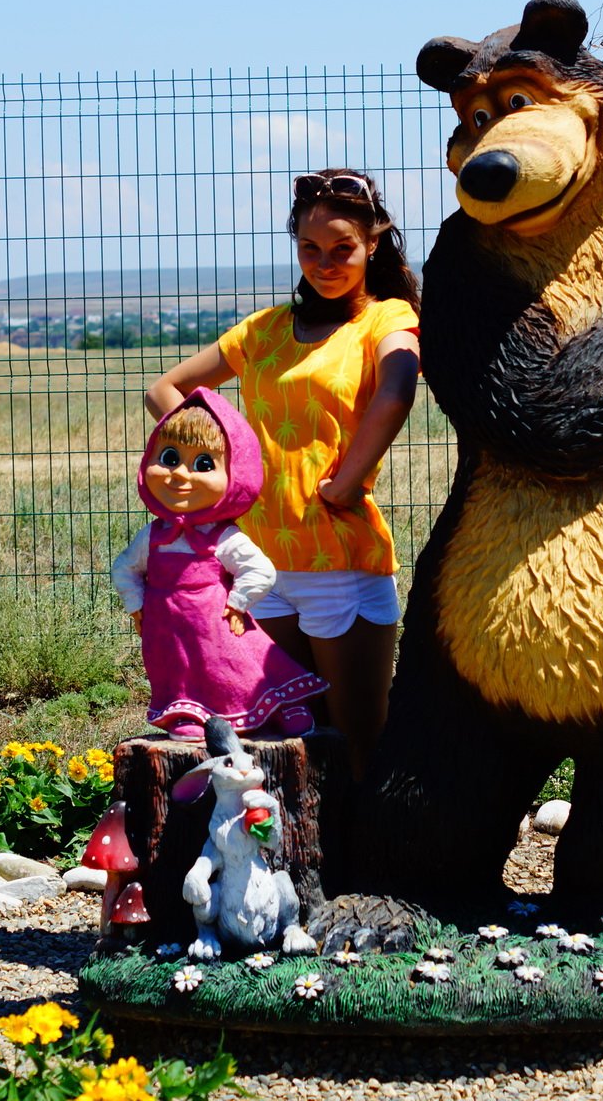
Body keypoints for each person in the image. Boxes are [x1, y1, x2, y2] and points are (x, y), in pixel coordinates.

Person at [145, 168, 421, 778]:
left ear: (373, 243)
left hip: (339, 561)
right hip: (256, 568)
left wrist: (347, 482)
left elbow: (397, 391)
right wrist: (218, 462)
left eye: (342, 249)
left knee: (357, 742)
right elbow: (166, 391)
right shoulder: (264, 330)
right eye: (310, 248)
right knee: (283, 738)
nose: (325, 263)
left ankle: (366, 843)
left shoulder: (386, 319)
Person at [113, 388, 327, 741]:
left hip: (217, 620)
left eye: (203, 464)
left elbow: (259, 569)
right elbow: (125, 568)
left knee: (235, 663)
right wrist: (136, 605)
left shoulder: (223, 537)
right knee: (178, 669)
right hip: (167, 626)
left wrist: (238, 603)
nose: (180, 475)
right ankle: (185, 711)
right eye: (169, 458)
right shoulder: (153, 536)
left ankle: (281, 705)